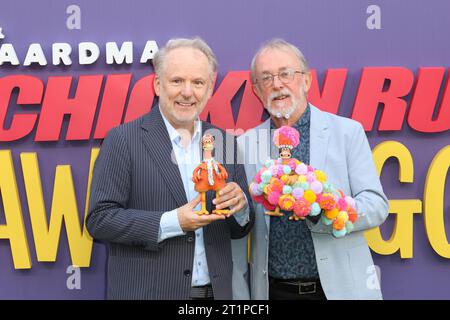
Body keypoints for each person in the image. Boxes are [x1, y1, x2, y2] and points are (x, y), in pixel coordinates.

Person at [86, 37, 254, 300]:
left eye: (198, 83)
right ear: (157, 84)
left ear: (210, 89)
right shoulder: (123, 139)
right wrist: (173, 222)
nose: (187, 92)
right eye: (177, 81)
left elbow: (240, 229)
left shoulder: (225, 142)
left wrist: (241, 207)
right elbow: (100, 220)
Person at [236, 39, 389, 300]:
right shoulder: (244, 144)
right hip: (273, 291)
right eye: (266, 78)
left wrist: (327, 210)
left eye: (286, 74)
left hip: (339, 290)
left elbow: (376, 206)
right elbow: (241, 225)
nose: (277, 84)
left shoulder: (347, 132)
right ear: (257, 91)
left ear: (306, 81)